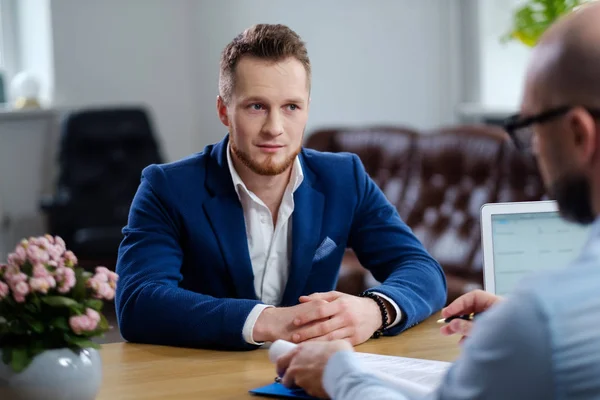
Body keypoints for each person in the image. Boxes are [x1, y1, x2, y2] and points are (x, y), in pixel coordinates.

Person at [276, 3, 600, 398]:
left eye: (532, 127)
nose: (533, 152)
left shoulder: (542, 322)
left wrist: (338, 373)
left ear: (580, 135)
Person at [114, 23, 446, 350]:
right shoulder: (167, 187)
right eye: (256, 106)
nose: (275, 128)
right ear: (223, 111)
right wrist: (270, 320)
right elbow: (138, 300)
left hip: (304, 375)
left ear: (306, 110)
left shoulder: (345, 178)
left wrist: (377, 310)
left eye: (291, 107)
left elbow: (421, 269)